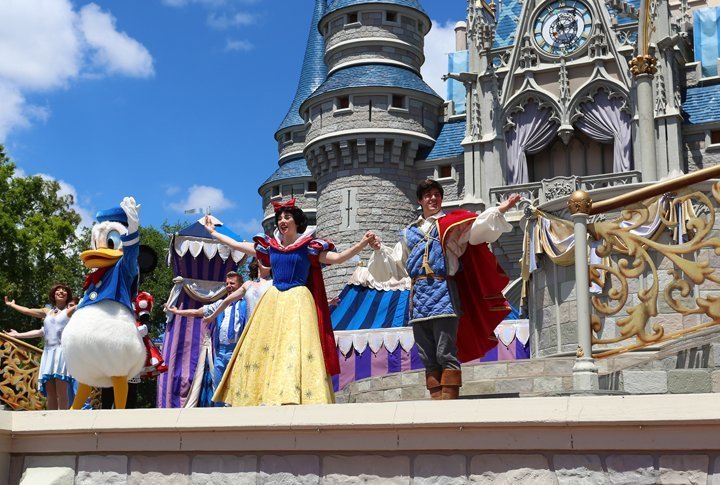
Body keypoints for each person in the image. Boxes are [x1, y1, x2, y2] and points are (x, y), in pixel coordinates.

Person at [208, 199, 375, 406]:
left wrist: (362, 243)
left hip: (298, 300)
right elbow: (239, 245)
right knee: (267, 346)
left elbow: (339, 258)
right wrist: (214, 233)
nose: (282, 221)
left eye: (287, 217)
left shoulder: (309, 247)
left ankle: (296, 395)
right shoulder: (270, 247)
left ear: (297, 222)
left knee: (295, 346)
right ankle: (264, 393)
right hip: (274, 299)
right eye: (279, 218)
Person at [368, 179, 520, 400]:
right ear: (420, 201)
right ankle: (436, 399)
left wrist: (501, 209)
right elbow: (396, 264)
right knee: (426, 353)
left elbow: (477, 229)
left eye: (436, 194)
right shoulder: (408, 233)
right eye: (428, 195)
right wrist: (379, 249)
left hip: (444, 292)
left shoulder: (452, 225)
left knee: (444, 349)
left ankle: (449, 400)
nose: (433, 198)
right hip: (418, 297)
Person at [166, 271, 247, 400]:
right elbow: (198, 312)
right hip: (221, 351)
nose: (229, 286)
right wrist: (177, 312)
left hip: (238, 350)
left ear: (241, 285)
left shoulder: (247, 304)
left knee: (237, 385)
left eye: (232, 283)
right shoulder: (220, 304)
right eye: (227, 284)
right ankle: (221, 414)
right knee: (218, 385)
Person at [4, 284, 77, 410]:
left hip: (61, 353)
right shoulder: (47, 312)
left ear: (67, 296)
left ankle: (63, 422)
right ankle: (50, 422)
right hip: (48, 353)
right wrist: (12, 306)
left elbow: (86, 303)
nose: (61, 291)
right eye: (58, 290)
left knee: (61, 392)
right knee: (50, 393)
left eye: (64, 290)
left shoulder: (70, 311)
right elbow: (29, 311)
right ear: (53, 295)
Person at [204, 258, 273, 325]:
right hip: (250, 327)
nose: (264, 261)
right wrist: (212, 317)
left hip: (266, 324)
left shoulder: (274, 283)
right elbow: (226, 301)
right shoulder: (248, 284)